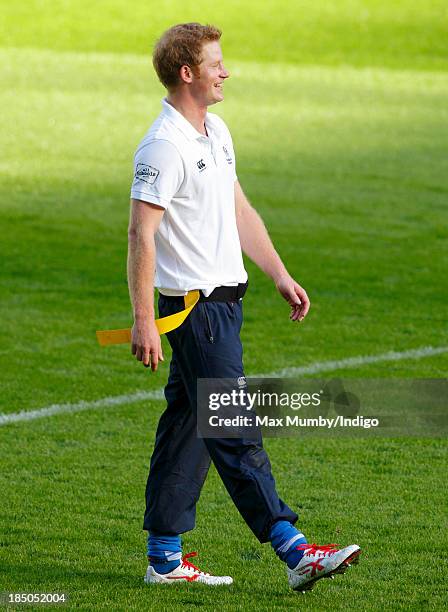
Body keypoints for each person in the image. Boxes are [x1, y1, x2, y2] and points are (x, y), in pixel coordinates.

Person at [127, 22, 360, 592]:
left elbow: (239, 210)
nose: (225, 71)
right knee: (233, 428)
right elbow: (141, 235)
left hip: (226, 307)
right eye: (215, 63)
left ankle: (163, 557)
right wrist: (141, 320)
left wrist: (278, 272)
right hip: (196, 313)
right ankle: (295, 550)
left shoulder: (216, 132)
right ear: (188, 73)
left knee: (187, 426)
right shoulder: (163, 145)